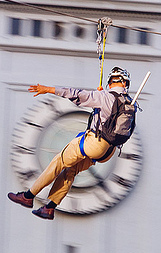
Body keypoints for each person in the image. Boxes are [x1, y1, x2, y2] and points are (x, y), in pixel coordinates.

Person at [8, 66, 132, 220]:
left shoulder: (105, 96)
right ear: (125, 84)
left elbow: (76, 94)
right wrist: (99, 98)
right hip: (108, 151)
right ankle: (49, 208)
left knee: (58, 162)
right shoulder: (128, 103)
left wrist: (48, 89)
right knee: (70, 171)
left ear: (110, 82)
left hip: (93, 144)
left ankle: (28, 196)